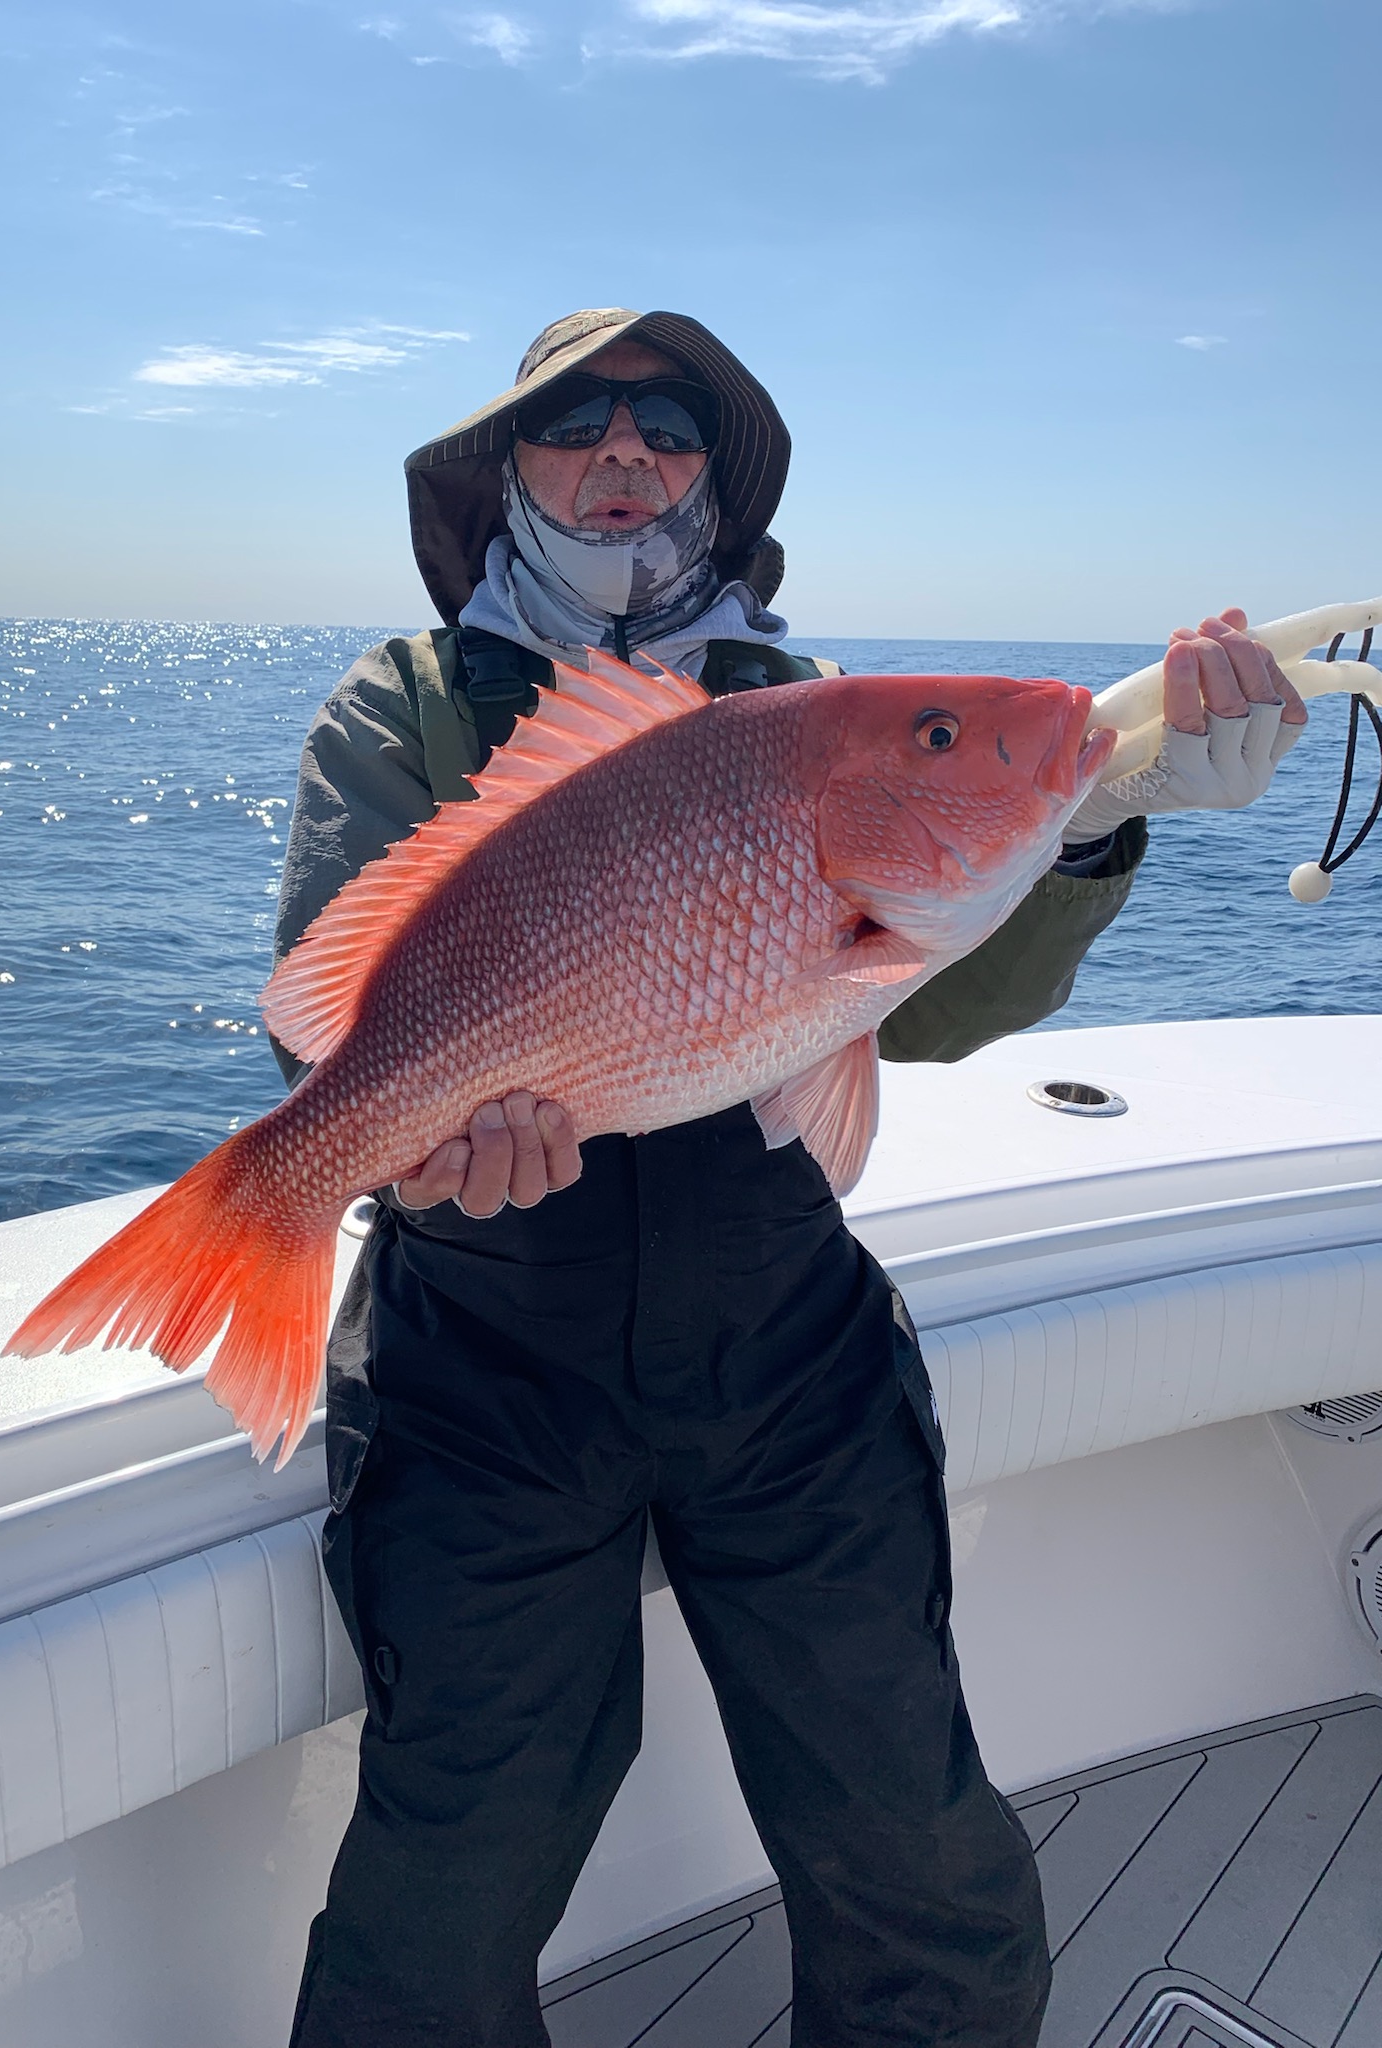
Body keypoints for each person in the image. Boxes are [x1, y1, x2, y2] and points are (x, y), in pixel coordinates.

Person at [274, 309, 1307, 2048]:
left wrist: (1100, 820)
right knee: (442, 1880)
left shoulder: (809, 714)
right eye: (574, 425)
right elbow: (331, 1007)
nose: (623, 455)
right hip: (485, 1368)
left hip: (785, 1356)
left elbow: (935, 1001)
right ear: (504, 473)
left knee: (914, 1844)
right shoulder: (409, 699)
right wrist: (415, 1146)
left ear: (715, 476)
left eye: (666, 426)